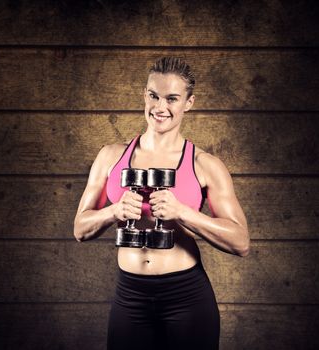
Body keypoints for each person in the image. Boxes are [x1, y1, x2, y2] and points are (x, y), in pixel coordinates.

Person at [73, 56, 250, 350]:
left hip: (186, 296)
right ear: (145, 95)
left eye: (172, 99)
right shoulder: (110, 156)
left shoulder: (205, 164)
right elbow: (80, 229)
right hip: (129, 294)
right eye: (153, 96)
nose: (160, 107)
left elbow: (241, 242)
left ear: (189, 103)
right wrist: (113, 211)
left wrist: (183, 213)